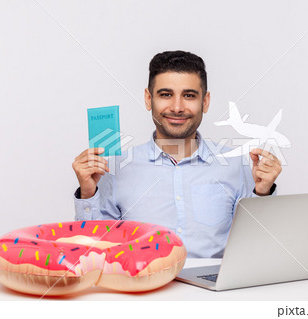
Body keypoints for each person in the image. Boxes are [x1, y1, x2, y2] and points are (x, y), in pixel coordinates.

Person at [72, 50, 282, 257]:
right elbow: (97, 252)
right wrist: (88, 194)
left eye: (189, 96)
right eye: (166, 95)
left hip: (215, 289)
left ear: (205, 102)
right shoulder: (115, 168)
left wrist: (262, 193)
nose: (177, 107)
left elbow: (256, 249)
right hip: (145, 287)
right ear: (148, 99)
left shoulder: (235, 163)